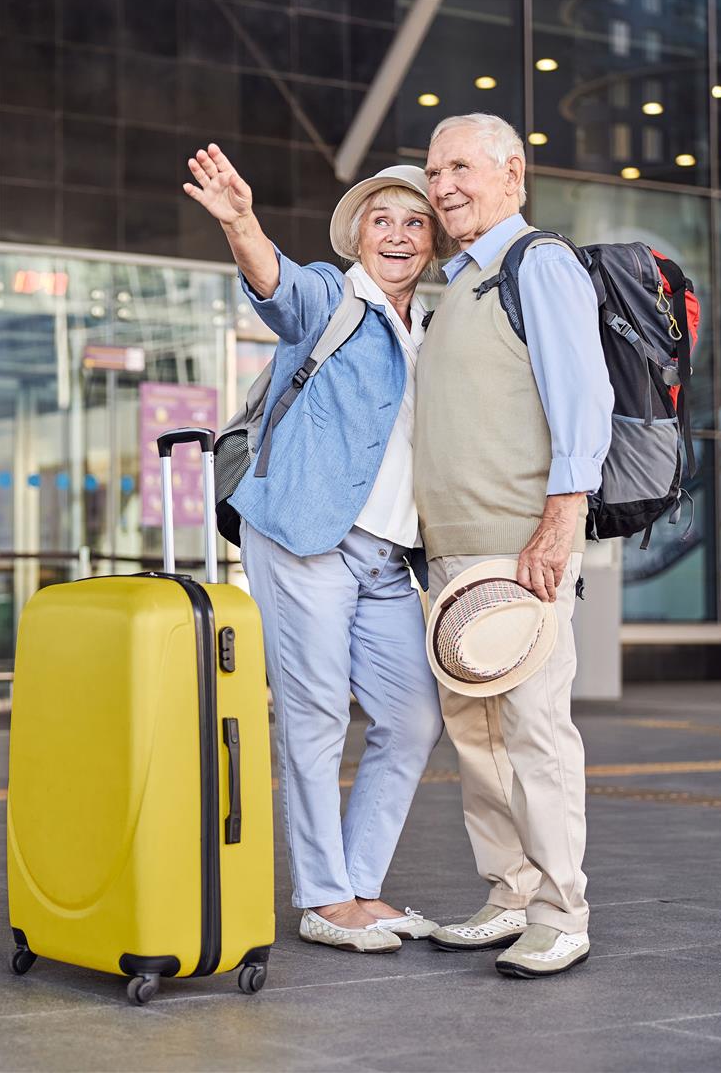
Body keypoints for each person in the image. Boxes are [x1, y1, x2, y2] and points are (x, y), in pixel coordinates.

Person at [183, 143, 456, 954]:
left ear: (433, 242)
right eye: (383, 220)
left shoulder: (432, 332)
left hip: (385, 556)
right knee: (312, 713)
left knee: (411, 717)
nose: (399, 235)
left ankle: (360, 884)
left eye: (416, 222)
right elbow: (274, 280)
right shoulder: (331, 300)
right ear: (358, 235)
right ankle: (323, 896)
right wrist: (241, 221)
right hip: (303, 535)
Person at [413, 113, 614, 978]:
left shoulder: (539, 264)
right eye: (432, 170)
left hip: (518, 547)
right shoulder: (456, 281)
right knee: (477, 735)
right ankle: (507, 892)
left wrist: (560, 519)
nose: (442, 184)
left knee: (533, 728)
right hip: (453, 553)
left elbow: (583, 397)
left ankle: (561, 909)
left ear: (511, 172)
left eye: (460, 165)